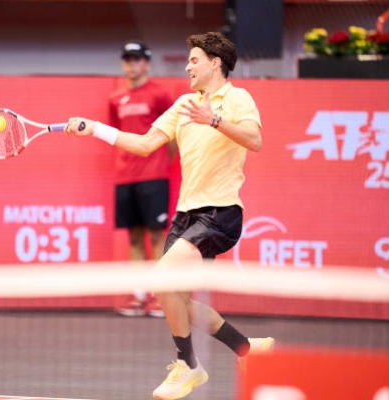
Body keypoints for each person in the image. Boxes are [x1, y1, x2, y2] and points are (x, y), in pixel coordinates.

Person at [64, 31, 274, 400]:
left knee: (161, 279)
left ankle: (188, 366)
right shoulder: (182, 105)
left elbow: (254, 141)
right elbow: (144, 145)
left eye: (195, 59)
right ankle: (246, 348)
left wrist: (214, 120)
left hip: (220, 212)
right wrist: (95, 129)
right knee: (177, 298)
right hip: (185, 215)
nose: (189, 65)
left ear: (215, 63)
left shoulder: (239, 98)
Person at [109, 41, 175, 318]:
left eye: (137, 60)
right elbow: (117, 134)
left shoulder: (160, 96)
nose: (131, 64)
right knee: (135, 238)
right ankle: (138, 297)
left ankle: (161, 298)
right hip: (125, 179)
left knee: (158, 237)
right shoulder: (116, 99)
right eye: (127, 59)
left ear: (147, 64)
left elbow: (173, 136)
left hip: (154, 178)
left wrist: (158, 163)